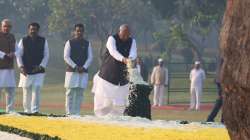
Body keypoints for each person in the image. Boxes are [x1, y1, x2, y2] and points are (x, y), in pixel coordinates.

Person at [92, 24, 137, 116]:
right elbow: (113, 52)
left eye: (127, 35)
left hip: (122, 77)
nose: (125, 37)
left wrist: (130, 58)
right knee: (105, 102)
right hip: (107, 76)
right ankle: (101, 118)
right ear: (119, 32)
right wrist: (123, 59)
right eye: (123, 35)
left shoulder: (132, 41)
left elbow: (133, 53)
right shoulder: (111, 39)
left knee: (119, 104)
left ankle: (116, 120)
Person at [16, 22, 49, 113]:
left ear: (38, 30)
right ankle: (27, 110)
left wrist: (41, 66)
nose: (33, 31)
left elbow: (46, 55)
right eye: (31, 29)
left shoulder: (43, 40)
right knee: (26, 90)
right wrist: (21, 66)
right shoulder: (23, 40)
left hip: (38, 70)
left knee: (37, 89)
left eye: (35, 29)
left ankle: (35, 111)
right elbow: (18, 55)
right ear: (28, 30)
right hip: (26, 70)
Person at [64, 23, 93, 116]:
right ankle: (69, 113)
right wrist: (75, 67)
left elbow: (90, 57)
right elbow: (66, 57)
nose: (79, 32)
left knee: (80, 93)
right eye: (77, 31)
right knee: (70, 92)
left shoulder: (87, 43)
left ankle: (76, 113)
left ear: (83, 32)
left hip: (83, 72)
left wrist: (84, 67)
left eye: (81, 31)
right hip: (72, 72)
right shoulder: (69, 42)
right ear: (74, 32)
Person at [0, 19, 16, 113]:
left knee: (10, 89)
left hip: (9, 67)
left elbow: (17, 49)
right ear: (1, 26)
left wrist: (14, 53)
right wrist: (5, 55)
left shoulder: (12, 37)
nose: (6, 28)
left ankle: (10, 110)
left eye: (8, 26)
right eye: (5, 26)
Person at [207, 57, 224, 122]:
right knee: (222, 104)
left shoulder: (219, 68)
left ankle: (210, 118)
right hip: (222, 86)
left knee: (219, 104)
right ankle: (222, 120)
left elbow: (217, 80)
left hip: (220, 85)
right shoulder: (222, 68)